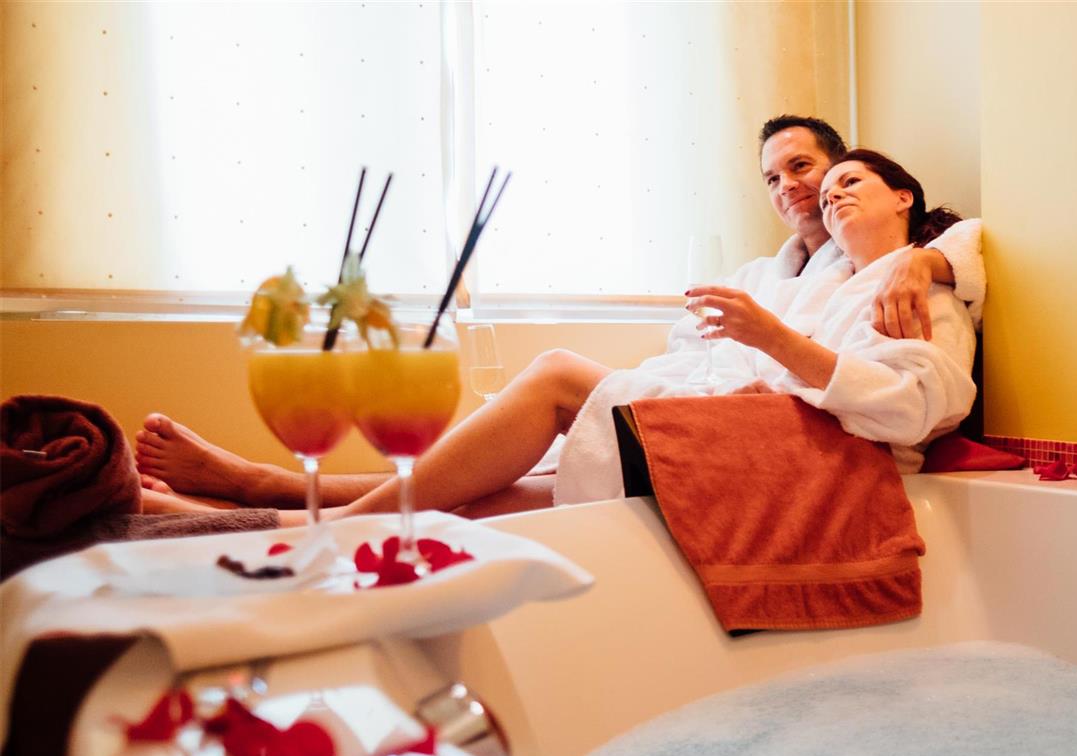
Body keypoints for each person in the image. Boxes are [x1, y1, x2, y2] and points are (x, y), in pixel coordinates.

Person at [136, 116, 983, 511]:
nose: (805, 191)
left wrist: (921, 258)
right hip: (724, 431)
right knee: (497, 496)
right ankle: (261, 500)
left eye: (824, 175)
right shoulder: (783, 275)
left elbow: (921, 390)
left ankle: (314, 523)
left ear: (899, 192)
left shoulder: (923, 275)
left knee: (553, 378)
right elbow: (706, 355)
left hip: (790, 455)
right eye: (776, 179)